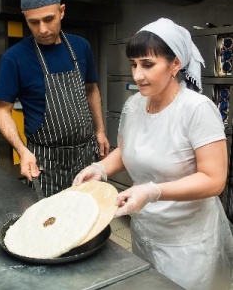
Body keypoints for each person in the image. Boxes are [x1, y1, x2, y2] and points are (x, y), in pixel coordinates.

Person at [73, 18, 233, 290]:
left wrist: (152, 191)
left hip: (188, 243)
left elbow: (214, 179)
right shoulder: (134, 105)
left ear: (175, 64)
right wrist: (100, 169)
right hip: (145, 232)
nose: (137, 75)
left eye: (148, 64)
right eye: (134, 64)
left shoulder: (197, 110)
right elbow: (127, 151)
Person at [0, 0, 109, 197]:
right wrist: (22, 150)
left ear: (61, 11)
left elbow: (91, 88)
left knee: (88, 219)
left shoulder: (81, 47)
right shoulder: (15, 58)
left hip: (86, 155)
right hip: (46, 162)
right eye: (34, 22)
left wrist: (100, 130)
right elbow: (2, 110)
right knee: (51, 222)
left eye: (49, 19)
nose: (43, 29)